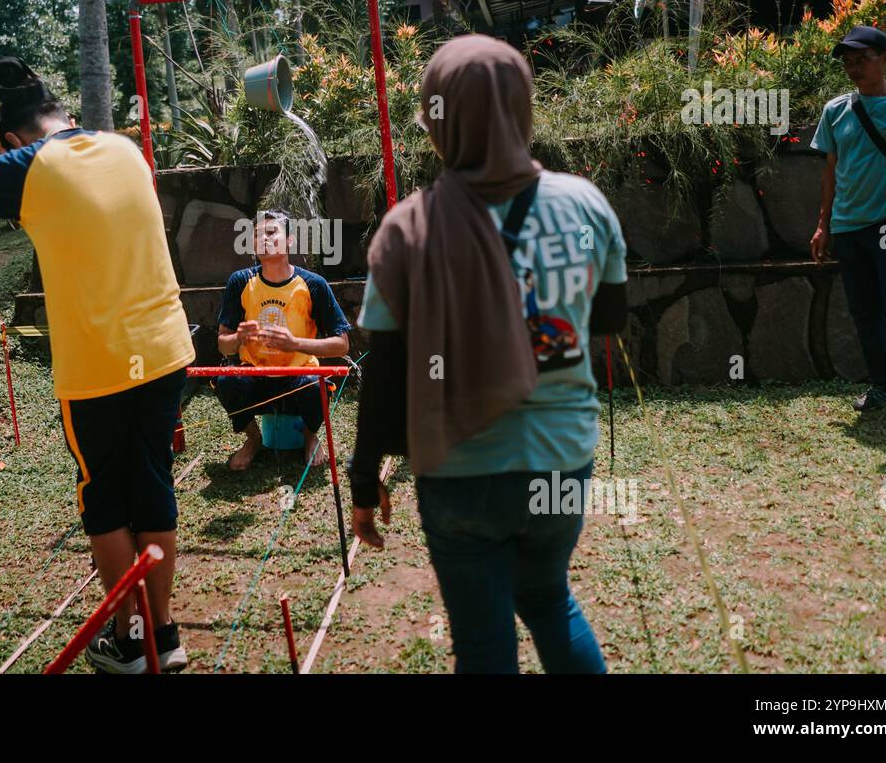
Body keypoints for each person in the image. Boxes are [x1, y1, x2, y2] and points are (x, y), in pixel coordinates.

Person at [347, 35, 628, 674]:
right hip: (560, 461)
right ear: (521, 110)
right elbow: (608, 320)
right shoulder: (586, 204)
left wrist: (365, 482)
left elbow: (384, 375)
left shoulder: (407, 229)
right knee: (549, 599)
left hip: (460, 471)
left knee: (482, 643)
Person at [0, 59, 195, 674]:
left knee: (104, 498)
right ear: (67, 116)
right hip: (164, 348)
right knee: (153, 483)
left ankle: (132, 645)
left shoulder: (27, 165)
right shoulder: (127, 150)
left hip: (98, 365)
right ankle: (165, 634)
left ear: (13, 139)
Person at [810, 25, 886, 433]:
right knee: (865, 313)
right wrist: (823, 225)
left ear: (885, 58)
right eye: (848, 61)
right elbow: (831, 171)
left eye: (862, 59)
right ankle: (883, 384)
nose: (854, 67)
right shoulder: (836, 110)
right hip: (847, 227)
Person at [214, 210, 351, 471]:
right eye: (256, 235)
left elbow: (342, 344)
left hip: (299, 376)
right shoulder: (240, 281)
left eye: (271, 232)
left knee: (315, 385)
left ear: (289, 240)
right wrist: (238, 338)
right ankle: (253, 439)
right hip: (255, 374)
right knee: (226, 380)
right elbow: (223, 344)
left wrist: (295, 344)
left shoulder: (313, 284)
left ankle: (310, 437)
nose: (263, 239)